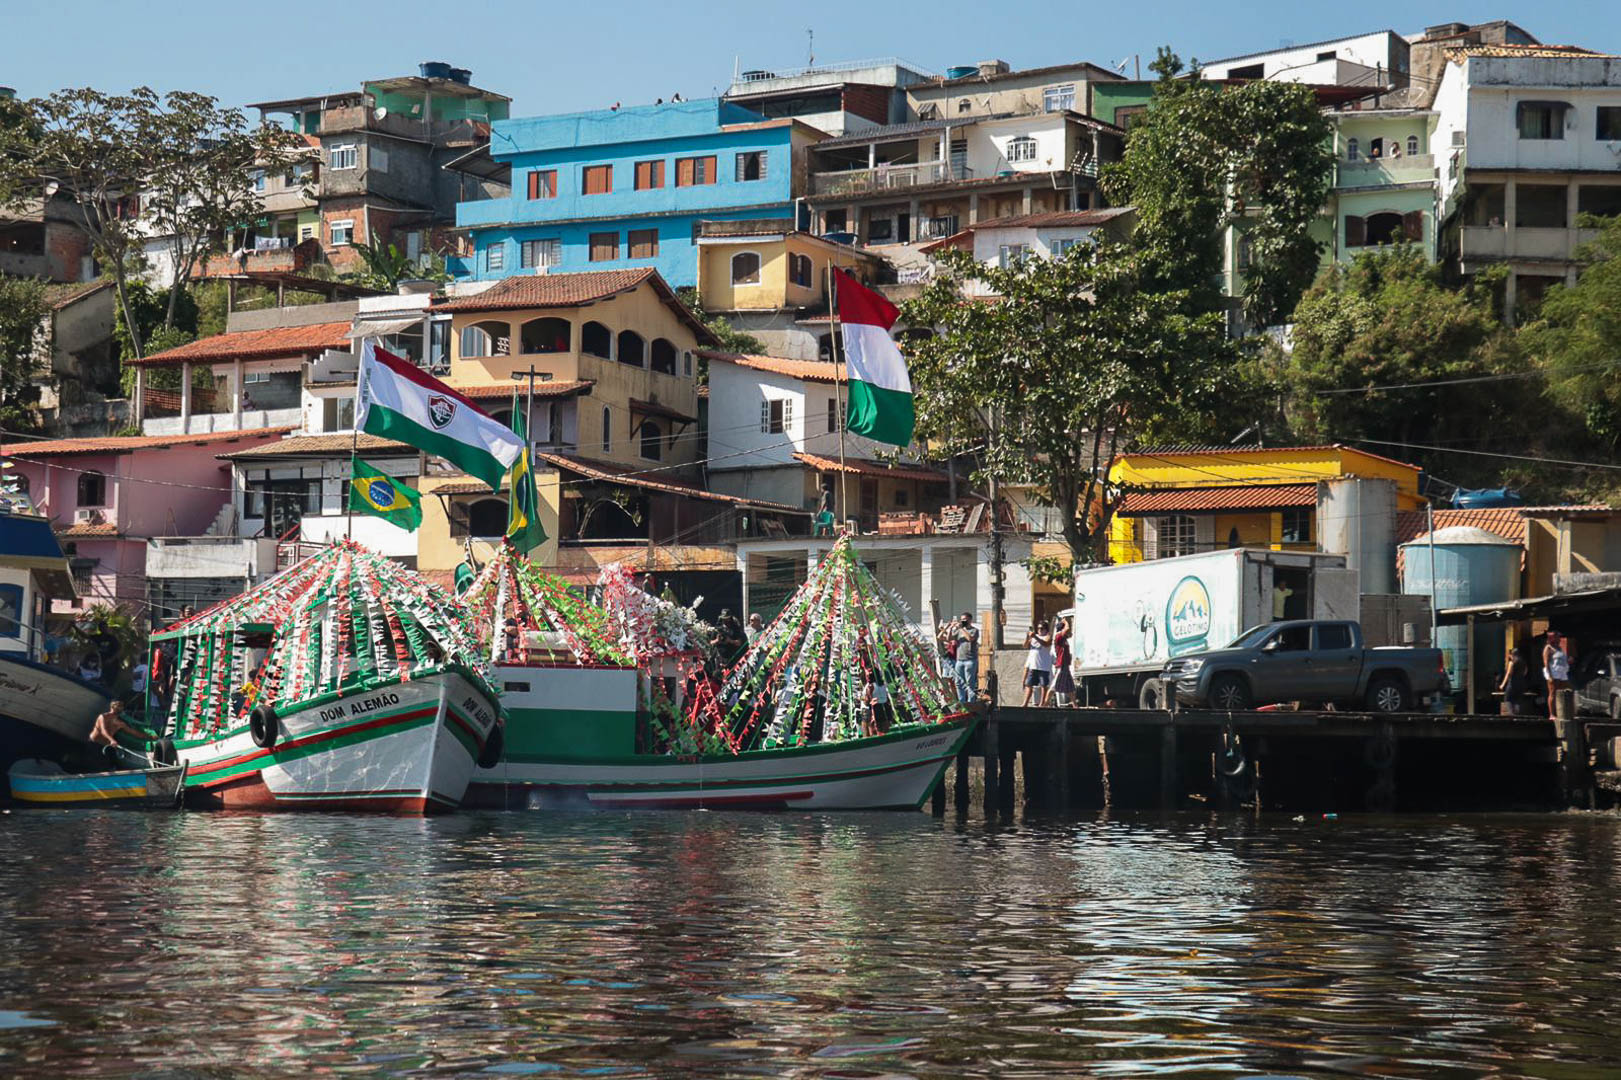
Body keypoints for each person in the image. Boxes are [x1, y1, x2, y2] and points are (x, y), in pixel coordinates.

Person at [89, 701, 149, 770]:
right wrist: (112, 740)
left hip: (107, 746)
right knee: (94, 767)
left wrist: (147, 736)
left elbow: (132, 732)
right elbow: (103, 731)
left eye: (122, 706)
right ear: (112, 707)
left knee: (107, 766)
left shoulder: (120, 723)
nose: (121, 708)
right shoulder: (103, 717)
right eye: (119, 706)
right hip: (95, 743)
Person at [1022, 621, 1053, 707]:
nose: (1039, 630)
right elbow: (1025, 646)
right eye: (1038, 628)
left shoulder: (1048, 637)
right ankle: (1025, 703)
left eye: (1041, 629)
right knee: (1029, 684)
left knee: (1043, 686)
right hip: (1033, 665)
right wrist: (1027, 637)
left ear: (1046, 630)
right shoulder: (1033, 638)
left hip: (1043, 666)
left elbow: (1046, 644)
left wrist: (1035, 636)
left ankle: (1042, 703)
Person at [951, 612, 979, 705]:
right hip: (959, 660)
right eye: (962, 619)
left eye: (965, 619)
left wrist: (962, 628)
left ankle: (971, 702)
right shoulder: (959, 630)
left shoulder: (974, 630)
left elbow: (970, 638)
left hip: (970, 660)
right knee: (958, 682)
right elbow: (949, 638)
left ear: (970, 620)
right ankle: (961, 701)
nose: (963, 621)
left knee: (969, 683)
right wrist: (950, 627)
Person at [1543, 630, 1571, 719]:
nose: (1559, 638)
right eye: (1557, 636)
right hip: (1553, 672)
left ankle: (1562, 711)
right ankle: (1552, 714)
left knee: (1565, 690)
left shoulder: (1559, 648)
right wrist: (1550, 675)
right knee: (1553, 693)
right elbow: (1546, 662)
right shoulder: (1548, 648)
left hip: (1562, 672)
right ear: (1552, 638)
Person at [1051, 616, 1076, 707]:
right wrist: (1065, 622)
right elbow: (1067, 628)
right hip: (1061, 664)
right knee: (1053, 686)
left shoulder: (1064, 639)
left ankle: (1075, 705)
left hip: (1065, 664)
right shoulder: (1058, 636)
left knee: (1070, 687)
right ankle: (1044, 703)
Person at [1499, 647, 1529, 716]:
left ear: (1512, 655)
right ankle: (1517, 714)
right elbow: (1525, 672)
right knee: (1517, 699)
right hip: (1521, 682)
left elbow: (1509, 674)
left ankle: (1511, 714)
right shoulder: (1523, 662)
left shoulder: (1512, 663)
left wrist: (1502, 684)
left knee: (1507, 698)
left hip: (1513, 683)